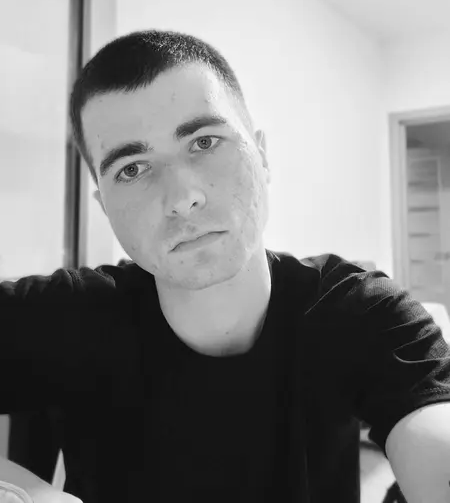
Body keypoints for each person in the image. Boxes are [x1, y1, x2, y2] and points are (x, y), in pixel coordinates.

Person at [0, 30, 449, 503]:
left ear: (262, 155)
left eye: (204, 141)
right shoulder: (70, 314)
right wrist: (31, 494)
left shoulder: (361, 312)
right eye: (131, 169)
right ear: (104, 206)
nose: (182, 198)